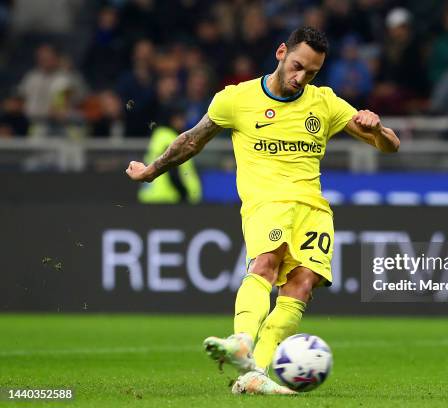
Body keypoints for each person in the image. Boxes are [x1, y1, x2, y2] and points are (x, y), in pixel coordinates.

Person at [125, 27, 399, 395]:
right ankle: (241, 340)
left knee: (301, 286)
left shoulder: (325, 103)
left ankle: (255, 373)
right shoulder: (236, 99)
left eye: (312, 73)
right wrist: (150, 171)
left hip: (314, 209)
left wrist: (377, 128)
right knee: (266, 262)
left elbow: (389, 146)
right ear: (281, 52)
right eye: (298, 66)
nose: (301, 78)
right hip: (266, 203)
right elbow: (192, 140)